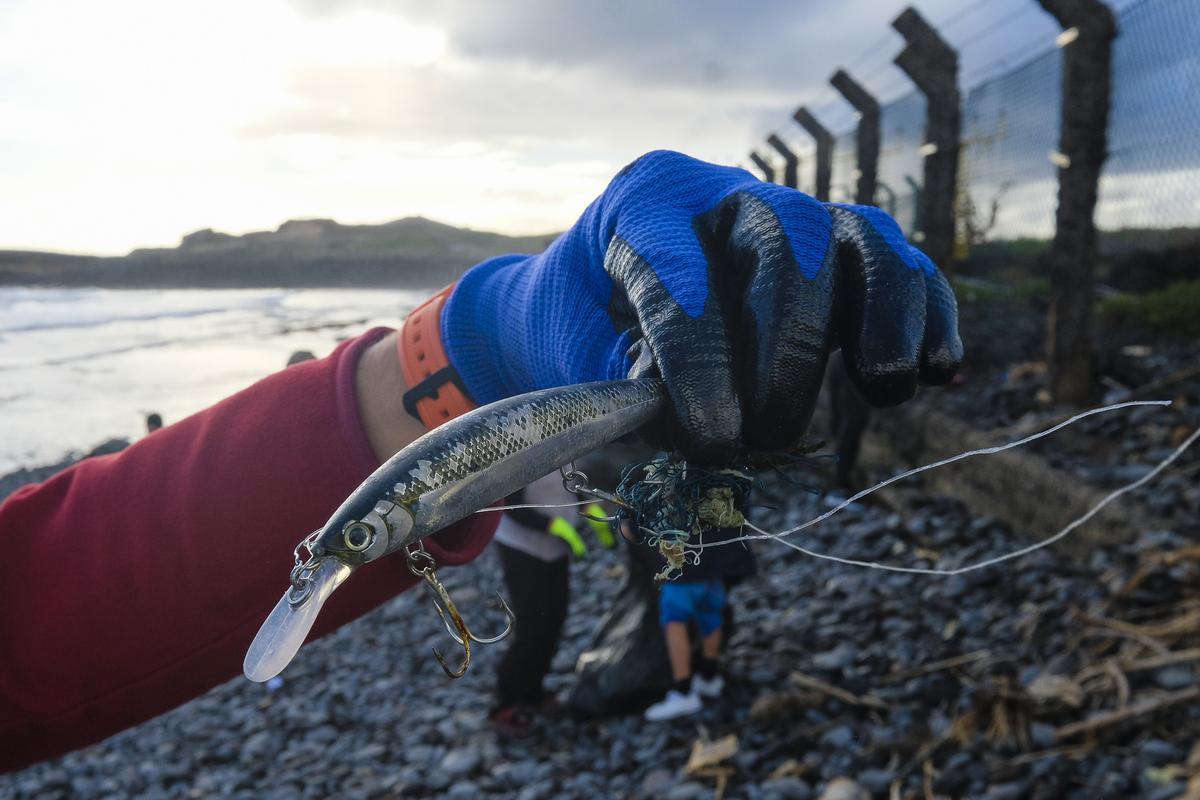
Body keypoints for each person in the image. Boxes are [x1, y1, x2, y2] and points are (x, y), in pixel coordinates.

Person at [0, 150, 961, 772]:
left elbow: (36, 596)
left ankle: (616, 683)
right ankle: (539, 698)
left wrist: (471, 340)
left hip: (528, 501)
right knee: (554, 616)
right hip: (529, 530)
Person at [488, 470, 613, 736]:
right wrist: (552, 526)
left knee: (555, 617)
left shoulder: (561, 440)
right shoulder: (519, 456)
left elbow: (571, 480)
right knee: (533, 625)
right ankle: (506, 703)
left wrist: (588, 505)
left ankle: (534, 692)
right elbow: (510, 507)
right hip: (523, 545)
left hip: (555, 543)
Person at [640, 524, 756, 722]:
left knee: (675, 620)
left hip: (684, 566)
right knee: (711, 612)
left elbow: (642, 524)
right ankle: (710, 676)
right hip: (718, 560)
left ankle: (683, 692)